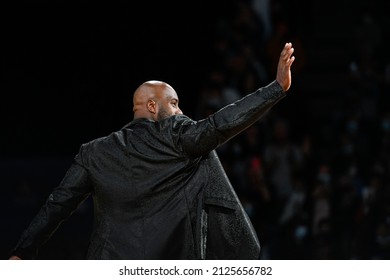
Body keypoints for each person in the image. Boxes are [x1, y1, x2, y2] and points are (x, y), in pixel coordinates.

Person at [9, 42, 295, 260]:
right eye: (174, 104)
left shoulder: (93, 153)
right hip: (169, 266)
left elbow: (57, 206)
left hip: (108, 268)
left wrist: (20, 253)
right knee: (205, 152)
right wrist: (277, 88)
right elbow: (222, 123)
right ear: (151, 106)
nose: (180, 111)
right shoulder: (178, 139)